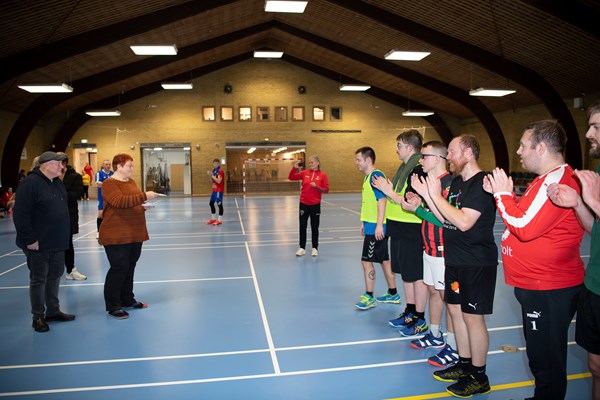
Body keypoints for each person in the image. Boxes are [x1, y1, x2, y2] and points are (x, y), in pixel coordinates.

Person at [484, 121, 584, 400]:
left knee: (546, 357)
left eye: (523, 146)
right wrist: (505, 195)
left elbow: (523, 226)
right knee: (541, 353)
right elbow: (525, 215)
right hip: (538, 284)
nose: (518, 151)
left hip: (548, 287)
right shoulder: (544, 180)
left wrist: (502, 194)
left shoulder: (556, 180)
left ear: (540, 148)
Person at [413, 134, 497, 398]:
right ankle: (463, 364)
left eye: (451, 151)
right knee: (456, 312)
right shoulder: (458, 182)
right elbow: (445, 219)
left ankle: (479, 375)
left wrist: (435, 196)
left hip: (476, 262)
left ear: (469, 152)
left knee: (473, 318)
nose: (448, 157)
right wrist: (428, 198)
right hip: (455, 258)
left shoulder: (481, 184)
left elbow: (463, 222)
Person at [374, 140, 458, 367]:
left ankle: (453, 345)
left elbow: (447, 221)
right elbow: (429, 213)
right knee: (433, 292)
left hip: (442, 248)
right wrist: (417, 202)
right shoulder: (430, 182)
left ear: (438, 159)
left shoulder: (449, 183)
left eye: (425, 156)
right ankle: (435, 334)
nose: (421, 160)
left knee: (447, 298)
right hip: (428, 245)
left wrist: (418, 208)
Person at [547, 101, 600, 400]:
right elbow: (595, 229)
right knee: (595, 364)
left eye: (596, 127)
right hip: (594, 285)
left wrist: (593, 201)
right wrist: (578, 203)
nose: (589, 132)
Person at [13, 151, 76, 332]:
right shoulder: (29, 184)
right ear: (45, 165)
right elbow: (21, 215)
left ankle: (53, 310)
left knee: (55, 275)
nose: (61, 167)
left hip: (57, 241)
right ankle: (38, 317)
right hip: (38, 243)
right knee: (39, 279)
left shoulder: (57, 183)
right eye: (58, 164)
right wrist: (30, 239)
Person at [99, 153, 159, 319]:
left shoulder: (131, 182)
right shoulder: (108, 184)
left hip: (134, 232)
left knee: (130, 266)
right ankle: (113, 305)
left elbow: (132, 202)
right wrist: (144, 195)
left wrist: (142, 206)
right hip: (116, 234)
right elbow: (120, 202)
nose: (132, 168)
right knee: (119, 268)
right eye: (129, 165)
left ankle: (127, 299)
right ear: (118, 166)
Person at [384, 129, 428, 336]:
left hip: (412, 228)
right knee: (406, 275)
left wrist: (388, 191)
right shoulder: (403, 168)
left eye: (399, 145)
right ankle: (409, 312)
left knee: (416, 275)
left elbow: (409, 201)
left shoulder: (417, 170)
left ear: (410, 148)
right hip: (399, 227)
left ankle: (420, 316)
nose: (397, 149)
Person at [353, 146, 400, 310]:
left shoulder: (375, 176)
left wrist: (379, 225)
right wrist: (363, 222)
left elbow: (382, 201)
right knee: (384, 261)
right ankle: (393, 293)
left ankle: (369, 296)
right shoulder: (368, 178)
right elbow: (369, 203)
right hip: (371, 225)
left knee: (366, 261)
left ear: (367, 160)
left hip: (376, 228)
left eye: (358, 160)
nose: (356, 163)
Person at [288, 156, 329, 257]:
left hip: (315, 205)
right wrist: (294, 168)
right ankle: (302, 248)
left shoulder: (323, 175)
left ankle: (315, 248)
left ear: (318, 163)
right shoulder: (304, 173)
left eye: (312, 162)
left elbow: (326, 190)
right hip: (303, 204)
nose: (310, 164)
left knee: (314, 227)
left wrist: (316, 187)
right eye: (309, 163)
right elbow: (291, 177)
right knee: (302, 226)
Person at [58, 152, 87, 281]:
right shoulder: (50, 176)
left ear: (64, 164)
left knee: (67, 243)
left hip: (68, 215)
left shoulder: (75, 176)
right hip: (50, 217)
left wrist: (59, 194)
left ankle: (71, 270)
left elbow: (77, 193)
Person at [95, 159, 114, 238]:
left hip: (112, 197)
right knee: (100, 214)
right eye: (106, 164)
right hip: (102, 196)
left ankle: (111, 231)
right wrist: (109, 184)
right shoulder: (99, 173)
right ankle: (99, 232)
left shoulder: (113, 173)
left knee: (112, 213)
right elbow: (99, 184)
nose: (108, 166)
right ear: (103, 165)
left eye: (109, 164)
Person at [206, 158, 225, 225]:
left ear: (219, 164)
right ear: (213, 164)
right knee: (211, 203)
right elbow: (212, 181)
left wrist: (212, 175)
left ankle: (219, 220)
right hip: (214, 190)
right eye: (214, 163)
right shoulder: (214, 170)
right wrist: (210, 176)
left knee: (219, 204)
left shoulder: (220, 171)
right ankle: (213, 218)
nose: (215, 165)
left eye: (217, 163)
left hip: (219, 190)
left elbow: (219, 181)